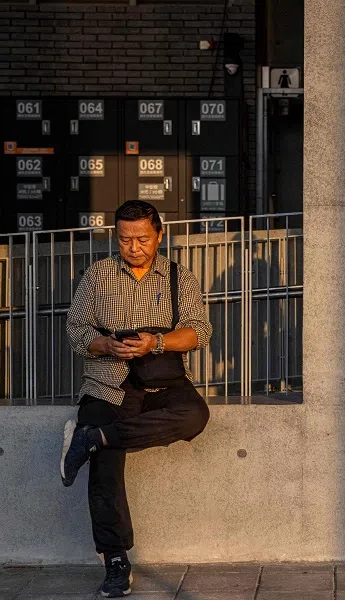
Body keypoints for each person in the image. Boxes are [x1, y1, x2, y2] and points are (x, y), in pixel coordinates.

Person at [60, 200, 212, 597]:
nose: (134, 247)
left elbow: (199, 331)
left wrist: (155, 342)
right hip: (107, 383)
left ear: (159, 235)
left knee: (194, 415)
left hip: (162, 381)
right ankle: (115, 559)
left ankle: (92, 437)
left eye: (142, 238)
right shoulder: (98, 275)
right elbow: (76, 330)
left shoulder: (179, 276)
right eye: (125, 239)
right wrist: (106, 345)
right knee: (105, 466)